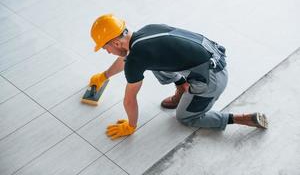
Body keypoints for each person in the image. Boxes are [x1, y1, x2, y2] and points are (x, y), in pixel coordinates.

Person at [89, 14, 268, 140]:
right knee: (155, 62)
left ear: (116, 42)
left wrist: (131, 126)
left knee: (185, 118)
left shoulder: (137, 58)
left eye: (106, 48)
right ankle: (183, 88)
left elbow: (129, 99)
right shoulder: (147, 31)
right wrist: (104, 76)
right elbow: (126, 59)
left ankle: (239, 118)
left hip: (211, 79)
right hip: (212, 58)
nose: (107, 52)